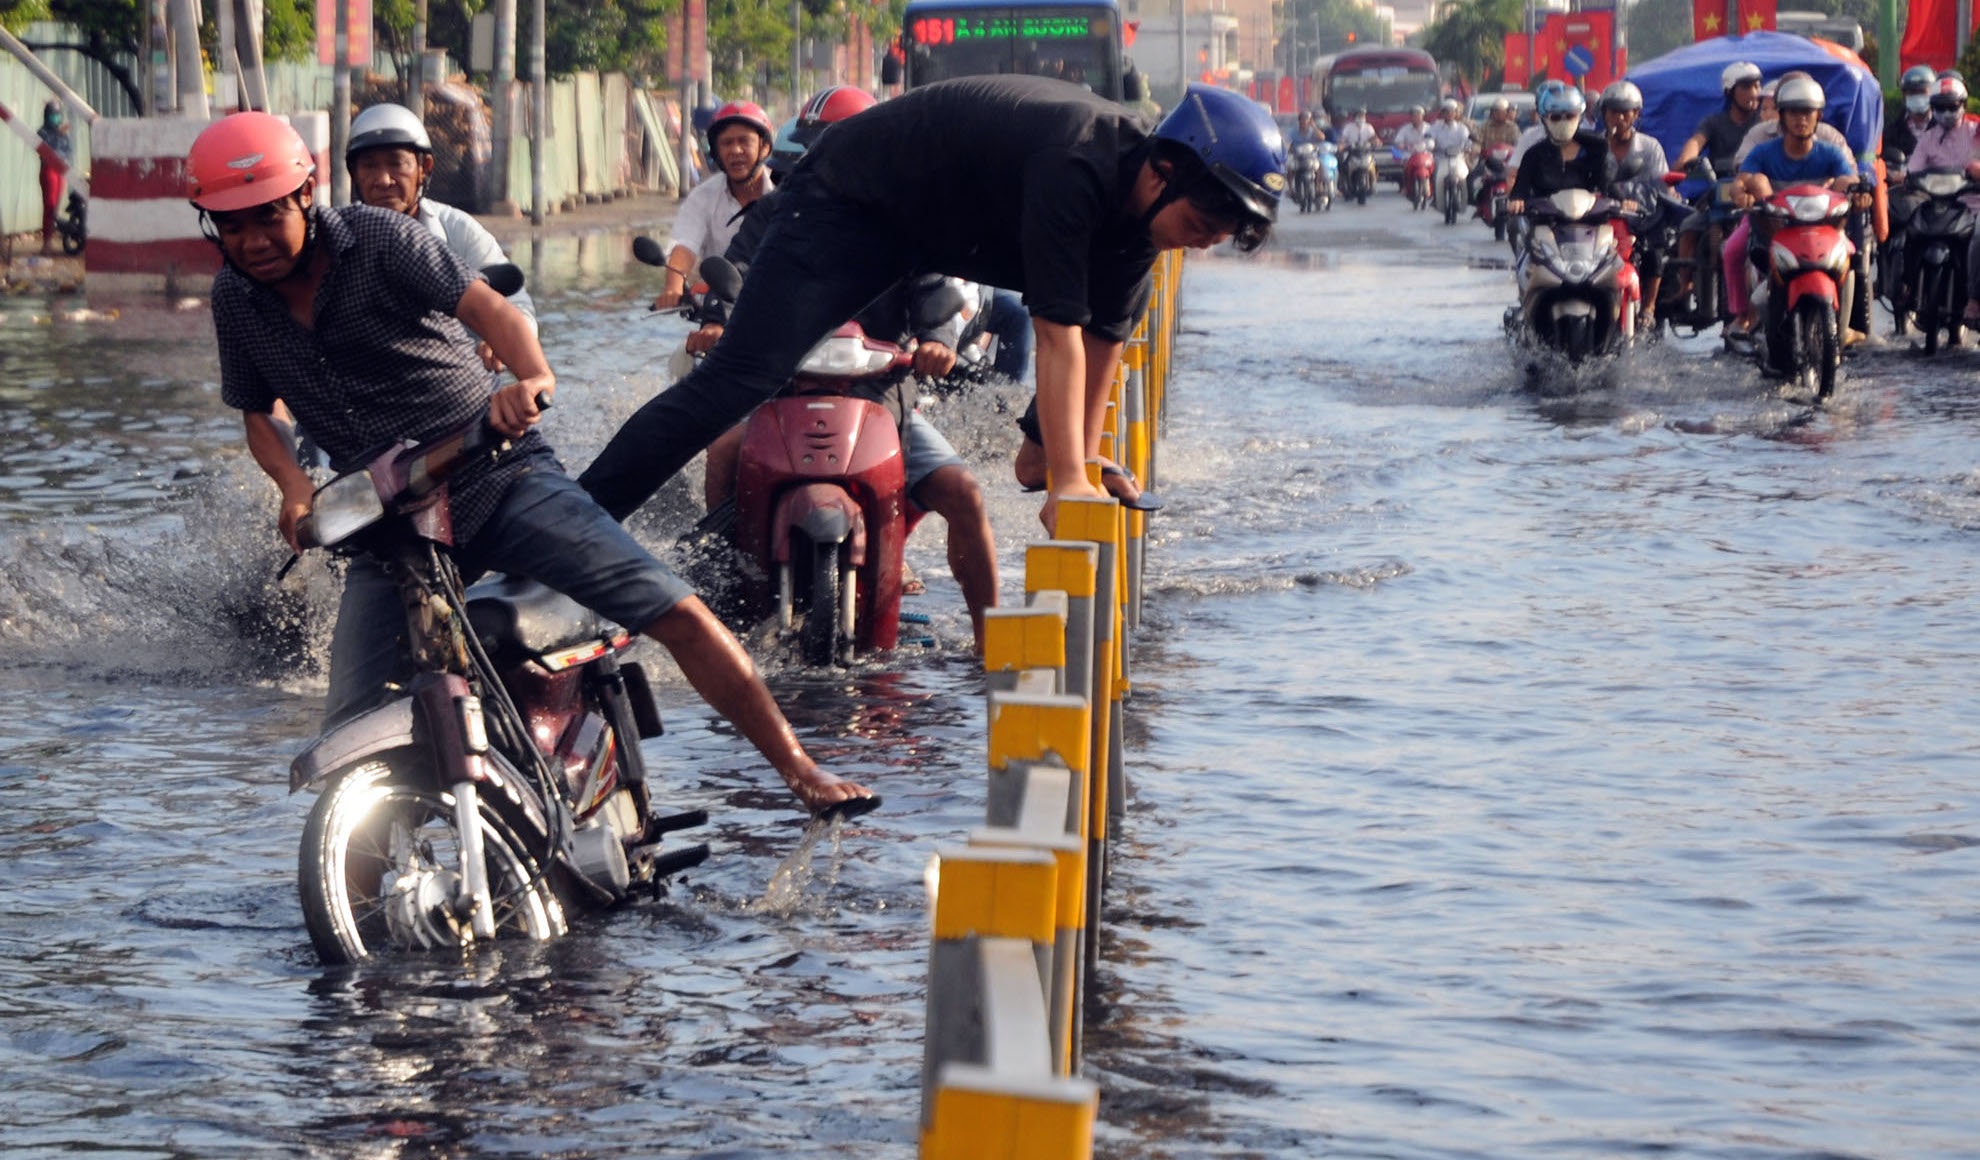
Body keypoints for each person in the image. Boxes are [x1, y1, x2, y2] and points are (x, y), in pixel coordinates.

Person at [188, 111, 875, 819]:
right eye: (231, 227)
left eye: (266, 218)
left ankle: (798, 768)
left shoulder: (382, 239)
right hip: (387, 523)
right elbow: (257, 409)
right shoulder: (234, 299)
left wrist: (531, 380)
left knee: (675, 610)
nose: (252, 242)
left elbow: (494, 312)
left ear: (304, 194)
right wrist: (293, 485)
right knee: (345, 742)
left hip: (494, 473)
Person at [577, 77, 1284, 537]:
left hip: (930, 243)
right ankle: (575, 521)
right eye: (1211, 214)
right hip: (851, 207)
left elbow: (1102, 345)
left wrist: (1068, 459)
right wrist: (1071, 488)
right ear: (1164, 171)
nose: (1214, 236)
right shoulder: (1078, 165)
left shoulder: (1144, 228)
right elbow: (1059, 332)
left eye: (1231, 230)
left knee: (1070, 425)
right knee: (737, 381)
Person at [684, 96, 1002, 653]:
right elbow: (734, 268)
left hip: (880, 393)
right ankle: (727, 580)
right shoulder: (776, 213)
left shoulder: (907, 218)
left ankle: (990, 639)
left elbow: (935, 292)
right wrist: (716, 318)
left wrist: (938, 342)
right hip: (782, 387)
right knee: (724, 450)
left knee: (964, 493)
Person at [346, 102, 535, 368]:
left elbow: (517, 306)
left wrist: (498, 342)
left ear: (424, 168)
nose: (384, 180)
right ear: (353, 173)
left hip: (458, 379)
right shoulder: (338, 241)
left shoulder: (457, 230)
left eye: (397, 164)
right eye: (369, 166)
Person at [1727, 75, 1864, 333]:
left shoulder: (1831, 151)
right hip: (1775, 231)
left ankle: (1843, 328)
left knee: (1850, 254)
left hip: (1822, 232)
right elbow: (1743, 180)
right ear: (1781, 116)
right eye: (1794, 113)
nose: (1801, 120)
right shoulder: (1762, 150)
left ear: (1818, 116)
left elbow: (1850, 179)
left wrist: (1859, 193)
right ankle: (1744, 315)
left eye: (1807, 113)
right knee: (1735, 242)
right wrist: (1740, 194)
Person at [650, 100, 776, 310]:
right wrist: (673, 288)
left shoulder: (785, 194)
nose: (735, 150)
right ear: (717, 151)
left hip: (778, 309)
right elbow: (685, 245)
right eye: (726, 143)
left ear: (764, 148)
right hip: (720, 308)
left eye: (744, 141)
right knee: (694, 344)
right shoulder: (702, 197)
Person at [1671, 61, 1763, 301]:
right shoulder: (1714, 122)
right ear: (1730, 91)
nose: (1753, 92)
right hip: (1720, 195)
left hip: (1754, 196)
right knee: (1688, 227)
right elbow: (1696, 142)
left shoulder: (1763, 124)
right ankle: (1685, 286)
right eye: (1746, 86)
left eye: (1756, 85)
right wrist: (1685, 161)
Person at [1599, 81, 1674, 327]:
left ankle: (1649, 308)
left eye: (1625, 112)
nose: (1619, 118)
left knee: (1655, 251)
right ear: (1604, 114)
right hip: (1602, 217)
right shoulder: (1595, 147)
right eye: (1613, 112)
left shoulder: (1649, 147)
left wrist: (1636, 201)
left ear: (1636, 114)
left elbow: (1660, 186)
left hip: (1642, 217)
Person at [1505, 85, 1614, 215]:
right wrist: (1517, 201)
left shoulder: (1597, 149)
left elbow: (1609, 185)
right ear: (1544, 118)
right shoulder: (1534, 154)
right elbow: (1519, 190)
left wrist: (1624, 201)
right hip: (1545, 222)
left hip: (1589, 222)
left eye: (1570, 116)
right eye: (1556, 117)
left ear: (1579, 116)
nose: (1564, 122)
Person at [37, 100, 72, 256]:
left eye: (57, 114)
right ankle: (46, 242)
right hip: (49, 169)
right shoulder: (42, 132)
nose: (55, 117)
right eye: (52, 114)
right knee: (49, 205)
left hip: (61, 170)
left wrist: (61, 134)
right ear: (46, 115)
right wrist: (58, 135)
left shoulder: (63, 133)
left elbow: (67, 151)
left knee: (56, 206)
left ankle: (51, 239)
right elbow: (44, 150)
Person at [1424, 98, 1475, 204]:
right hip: (1440, 157)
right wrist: (1430, 143)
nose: (1449, 114)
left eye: (1452, 111)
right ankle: (1434, 196)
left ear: (1456, 113)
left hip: (1458, 157)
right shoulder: (1436, 127)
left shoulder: (1462, 128)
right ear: (1442, 113)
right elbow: (1429, 137)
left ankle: (1469, 197)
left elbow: (1467, 140)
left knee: (1469, 174)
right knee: (1432, 173)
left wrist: (1468, 147)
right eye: (1446, 111)